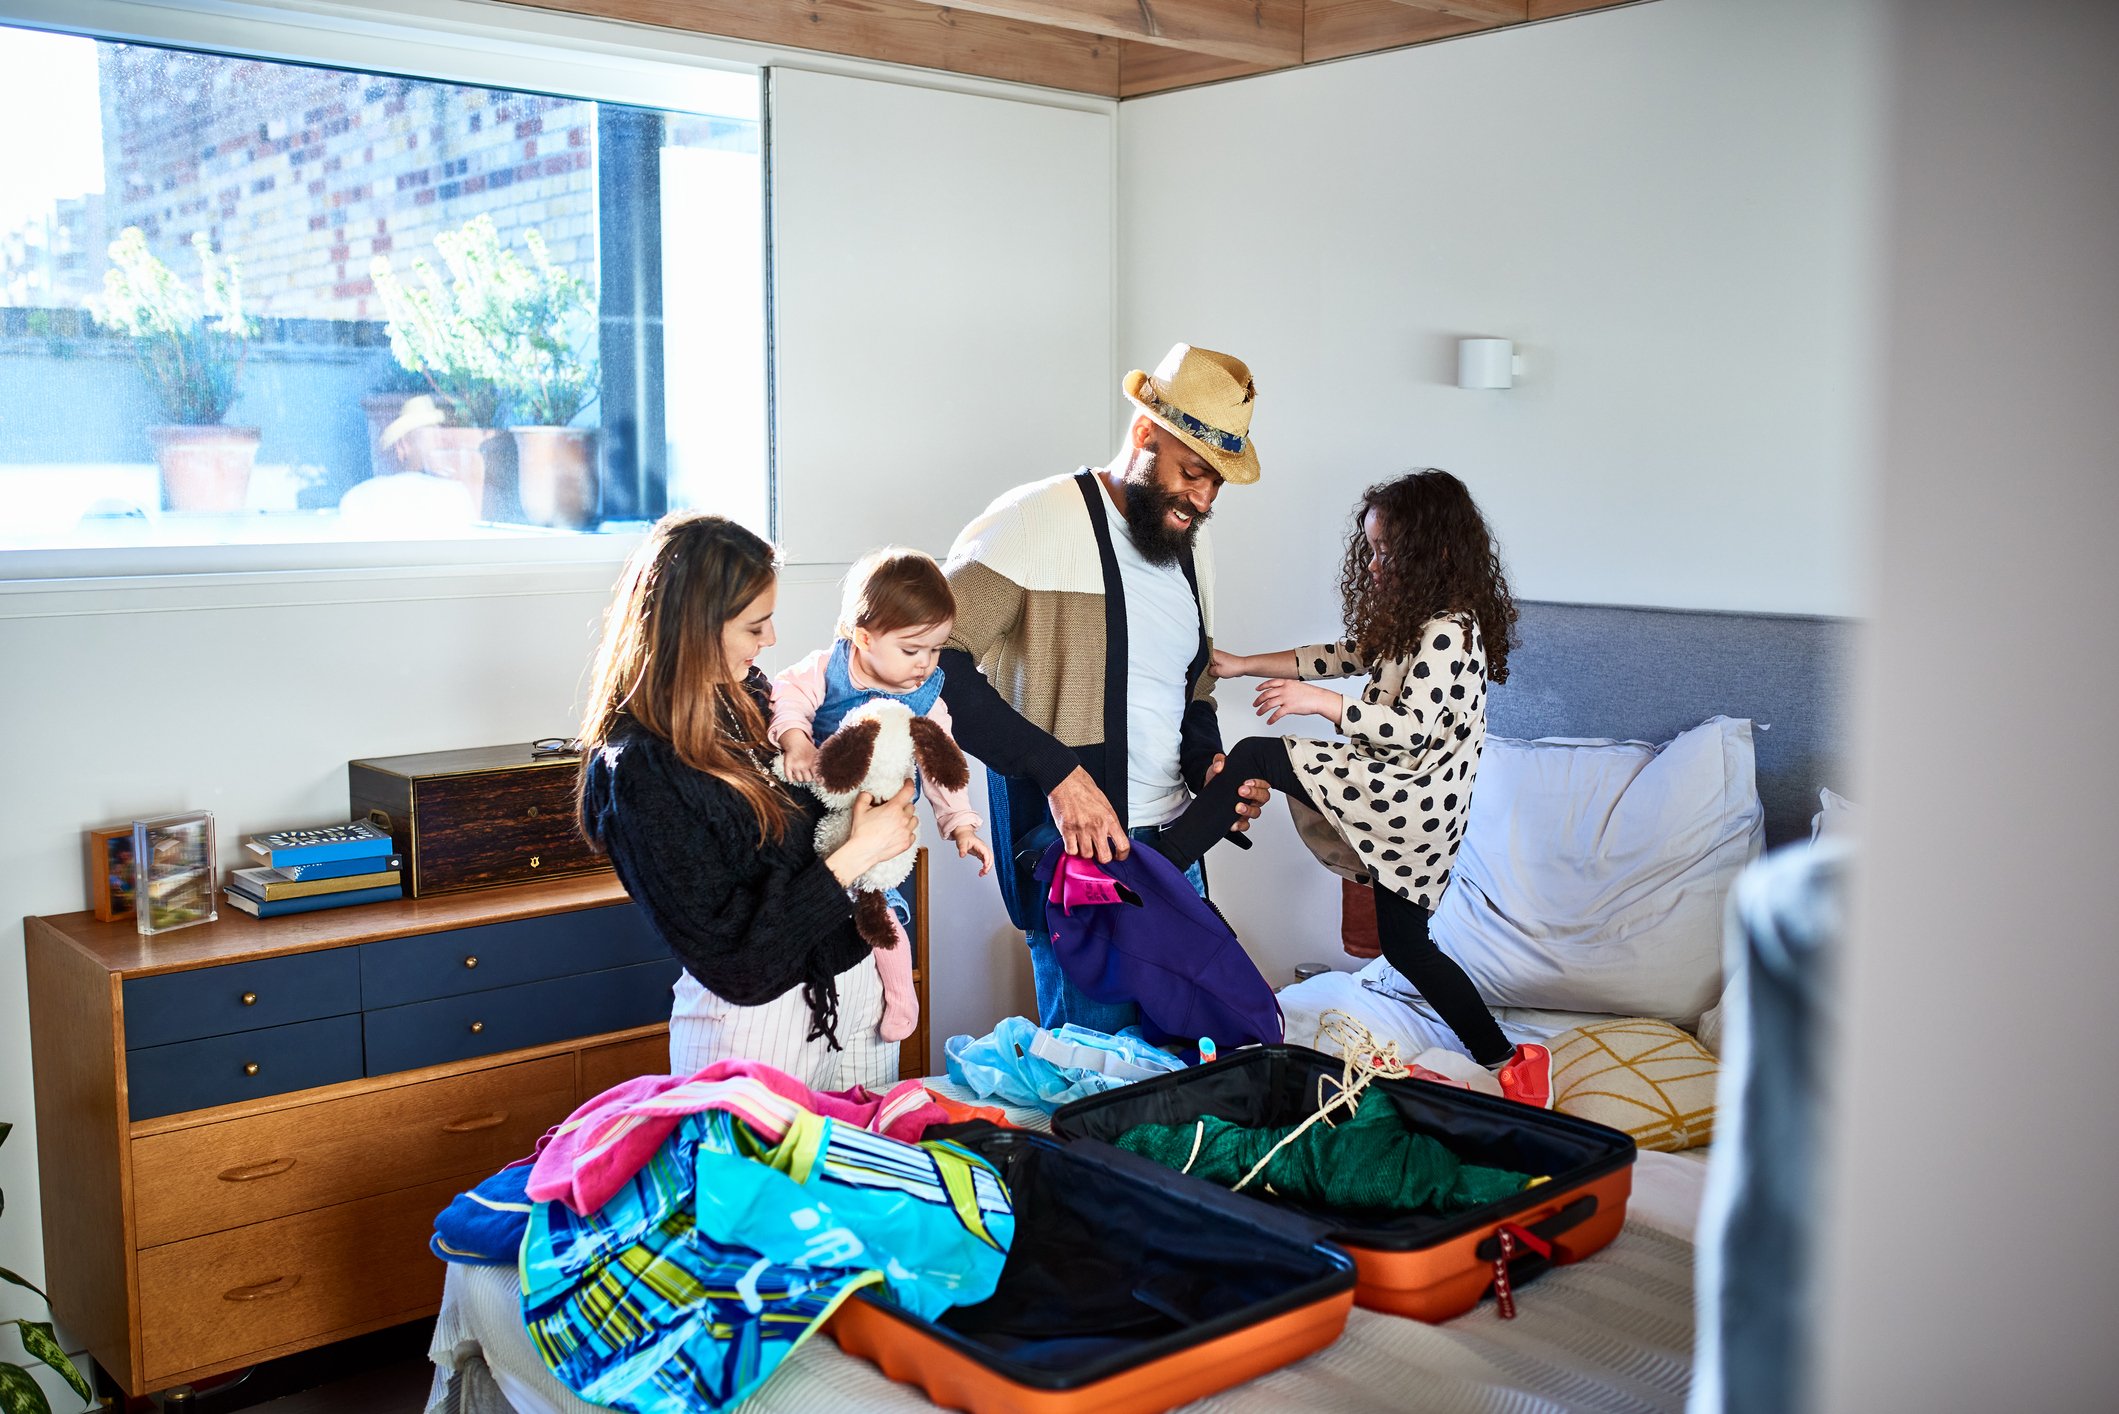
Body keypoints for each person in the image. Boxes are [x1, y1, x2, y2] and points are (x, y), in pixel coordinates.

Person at [1152, 470, 1551, 1104]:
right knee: (1407, 945)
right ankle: (1507, 1057)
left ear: (1431, 552)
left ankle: (1159, 866)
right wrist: (1243, 663)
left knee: (1260, 753)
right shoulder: (1423, 620)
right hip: (1410, 805)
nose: (1371, 567)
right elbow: (1341, 655)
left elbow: (1412, 728)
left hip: (1408, 791)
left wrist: (1320, 705)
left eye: (1383, 554)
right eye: (1368, 551)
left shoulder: (1452, 629)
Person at [938, 343, 1272, 1032]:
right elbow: (930, 661)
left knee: (1184, 1080)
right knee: (1099, 1092)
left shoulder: (1190, 544)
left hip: (1175, 852)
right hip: (1076, 862)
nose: (1204, 498)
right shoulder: (1033, 521)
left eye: (1217, 482)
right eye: (1192, 473)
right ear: (1144, 433)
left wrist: (1204, 763)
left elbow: (1193, 687)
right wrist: (1058, 773)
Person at [575, 511, 920, 1088]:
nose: (772, 641)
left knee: (866, 1171)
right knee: (758, 1181)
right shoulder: (639, 771)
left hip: (856, 990)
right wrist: (858, 853)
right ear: (693, 627)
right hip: (757, 1023)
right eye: (755, 626)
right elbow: (739, 963)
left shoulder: (754, 699)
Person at [768, 546, 995, 1044]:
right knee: (811, 895)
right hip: (816, 809)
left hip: (878, 821)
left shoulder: (926, 695)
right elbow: (786, 694)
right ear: (864, 637)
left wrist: (961, 823)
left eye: (935, 650)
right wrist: (796, 740)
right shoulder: (828, 668)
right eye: (912, 650)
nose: (925, 664)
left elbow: (943, 762)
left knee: (878, 905)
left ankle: (901, 995)